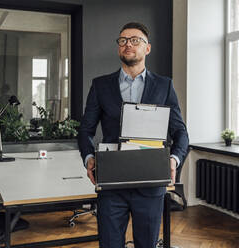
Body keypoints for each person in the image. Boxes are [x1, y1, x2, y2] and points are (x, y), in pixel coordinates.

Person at [78, 22, 189, 248]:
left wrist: (174, 160)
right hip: (111, 184)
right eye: (123, 40)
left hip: (150, 184)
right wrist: (89, 158)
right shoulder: (100, 86)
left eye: (135, 40)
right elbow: (85, 131)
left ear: (147, 48)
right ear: (118, 47)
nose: (128, 44)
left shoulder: (164, 86)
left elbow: (181, 132)